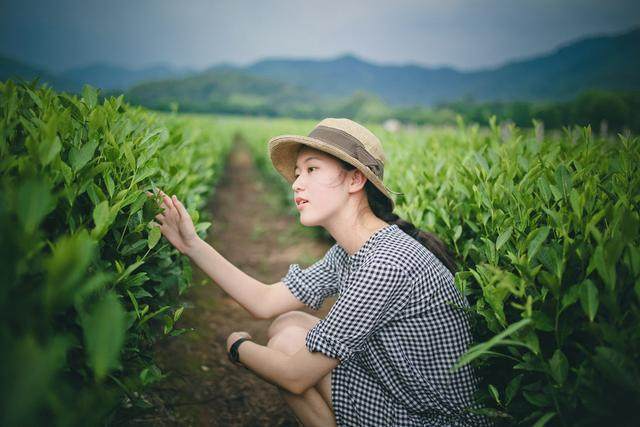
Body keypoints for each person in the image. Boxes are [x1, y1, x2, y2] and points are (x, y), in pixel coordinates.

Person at [148, 118, 491, 426]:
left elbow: (295, 377)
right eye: (297, 173)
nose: (296, 184)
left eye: (311, 170)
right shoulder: (350, 251)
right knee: (287, 324)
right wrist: (192, 244)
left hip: (428, 419)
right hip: (400, 393)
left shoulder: (385, 263)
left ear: (356, 179)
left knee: (287, 344)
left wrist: (237, 346)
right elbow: (266, 302)